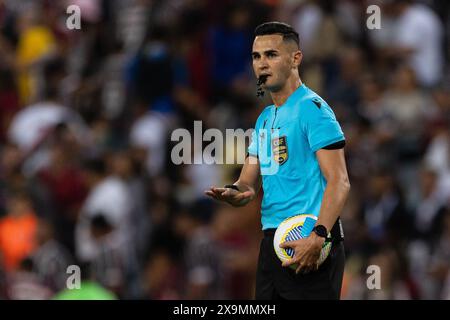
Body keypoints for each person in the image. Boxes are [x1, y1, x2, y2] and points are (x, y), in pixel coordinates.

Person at [205, 22, 350, 300]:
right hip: (272, 243)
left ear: (295, 58)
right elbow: (247, 183)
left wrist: (318, 235)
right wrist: (235, 193)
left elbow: (340, 181)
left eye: (271, 54)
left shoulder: (313, 109)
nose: (261, 63)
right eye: (256, 56)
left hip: (309, 240)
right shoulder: (264, 119)